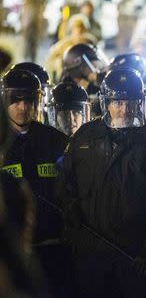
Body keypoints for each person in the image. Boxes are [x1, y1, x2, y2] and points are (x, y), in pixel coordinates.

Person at [58, 68, 146, 297]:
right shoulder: (85, 136)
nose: (124, 109)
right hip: (90, 255)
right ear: (107, 103)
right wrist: (71, 212)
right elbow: (64, 180)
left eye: (130, 102)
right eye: (118, 102)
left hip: (134, 258)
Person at [0, 68, 69, 296]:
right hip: (11, 252)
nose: (22, 107)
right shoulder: (2, 144)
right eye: (15, 100)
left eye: (29, 100)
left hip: (54, 246)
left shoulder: (55, 141)